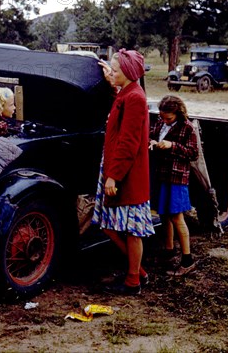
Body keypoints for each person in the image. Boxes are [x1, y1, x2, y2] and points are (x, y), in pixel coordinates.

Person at [92, 49, 155, 295]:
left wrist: (114, 176)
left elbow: (129, 142)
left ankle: (133, 282)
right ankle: (138, 273)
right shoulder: (129, 92)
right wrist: (112, 80)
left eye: (116, 70)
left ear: (128, 73)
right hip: (117, 169)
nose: (112, 73)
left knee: (132, 230)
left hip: (127, 174)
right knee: (109, 223)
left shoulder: (135, 98)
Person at [149, 95, 199, 277]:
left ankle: (188, 260)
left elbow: (193, 153)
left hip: (177, 178)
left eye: (168, 118)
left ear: (178, 113)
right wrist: (153, 142)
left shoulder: (187, 128)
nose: (164, 120)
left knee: (177, 217)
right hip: (161, 175)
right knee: (164, 214)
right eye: (162, 117)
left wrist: (172, 146)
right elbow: (151, 136)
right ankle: (168, 251)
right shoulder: (159, 123)